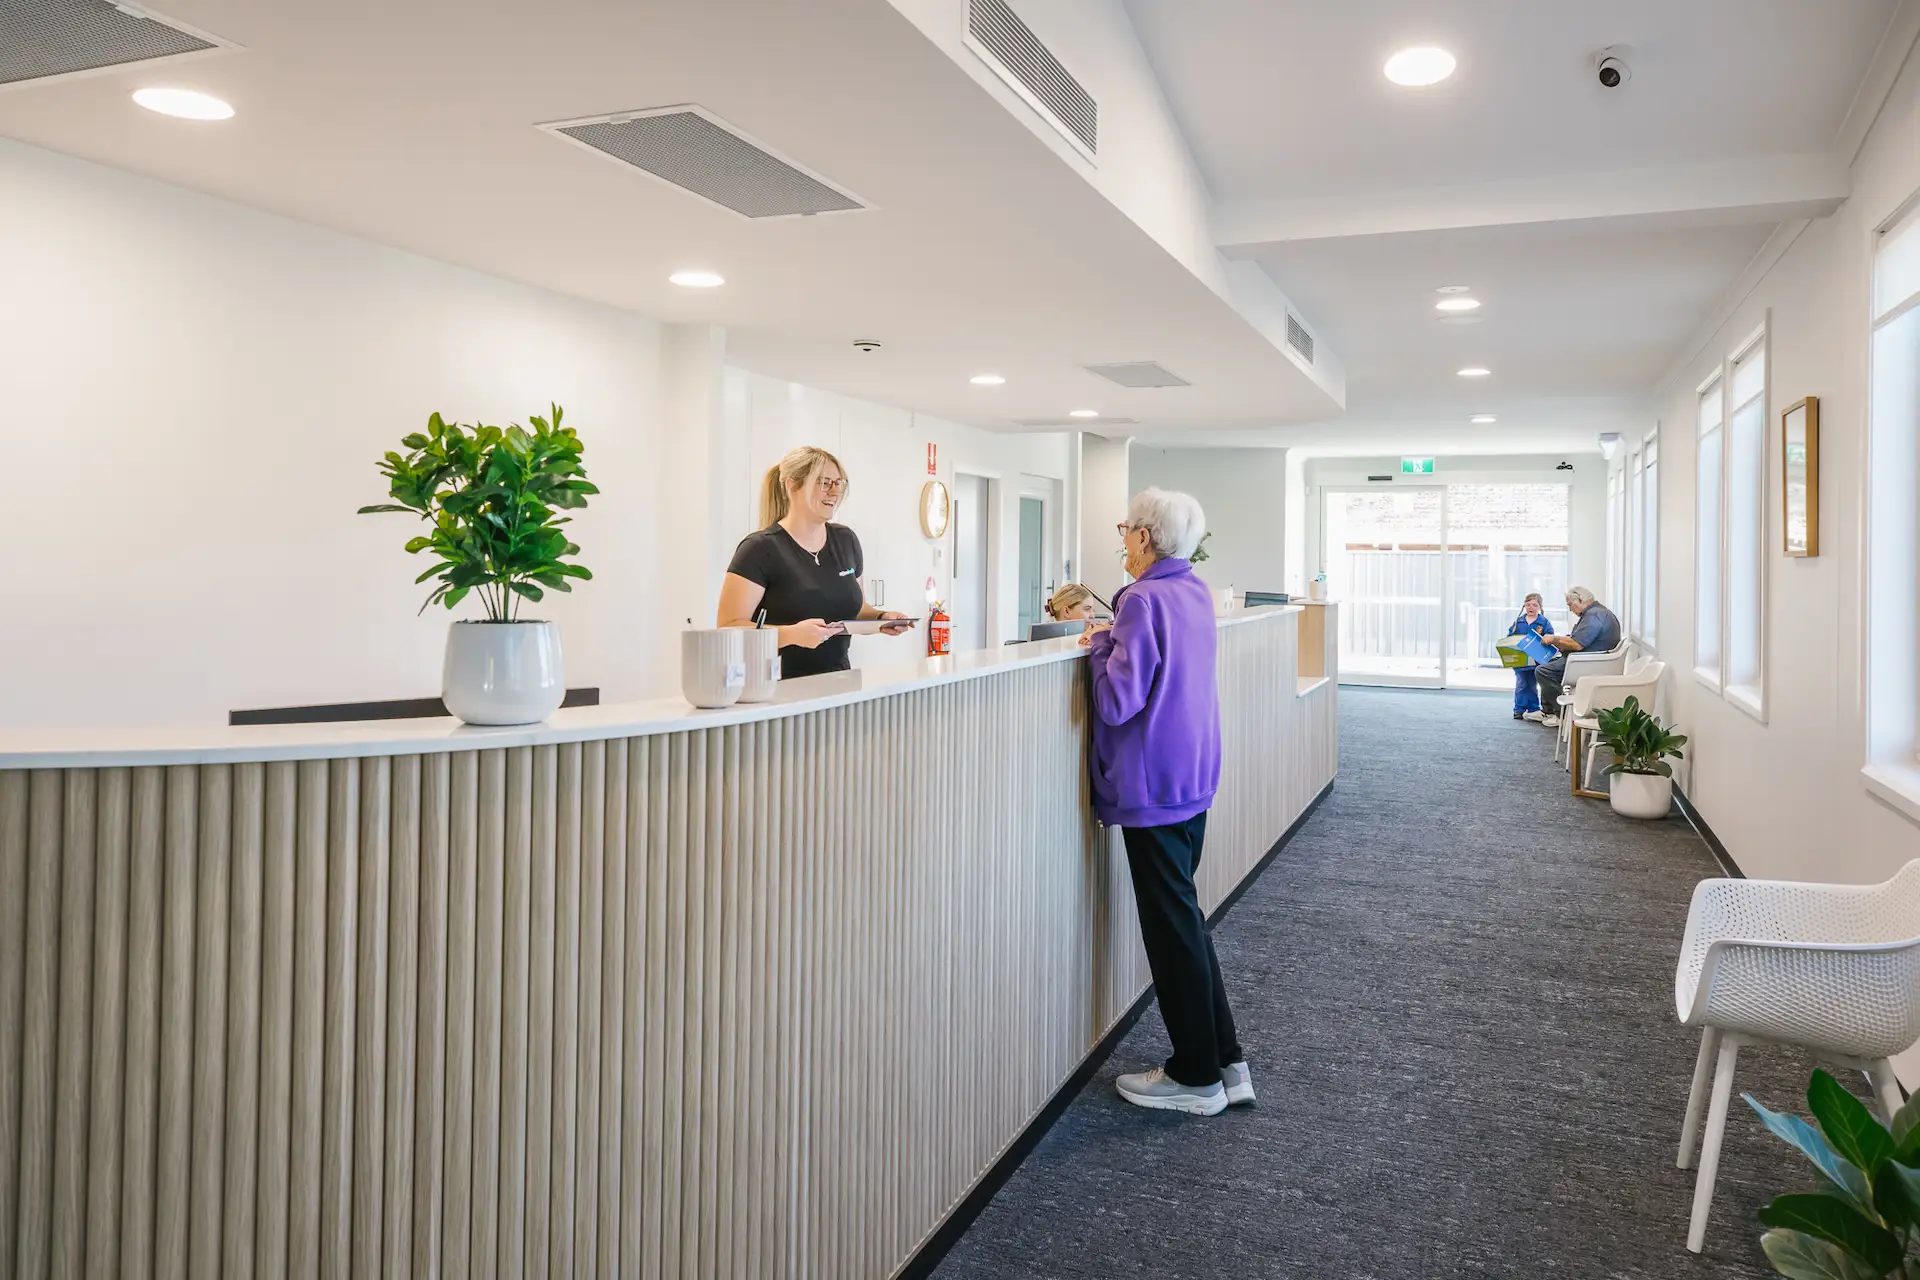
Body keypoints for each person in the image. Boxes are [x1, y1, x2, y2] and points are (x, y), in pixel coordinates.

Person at [1083, 489, 1247, 1117]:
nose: (1123, 540)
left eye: (1126, 530)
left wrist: (1099, 646)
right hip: (1192, 773)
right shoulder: (1195, 591)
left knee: (1170, 922)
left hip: (1151, 783)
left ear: (1146, 538)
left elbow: (1115, 703)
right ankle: (1226, 1060)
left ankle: (1195, 1075)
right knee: (1186, 915)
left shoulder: (1141, 597)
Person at [716, 446, 911, 678]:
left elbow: (855, 609)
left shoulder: (846, 540)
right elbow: (728, 627)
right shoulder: (760, 549)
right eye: (824, 482)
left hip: (839, 682)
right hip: (776, 688)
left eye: (839, 483)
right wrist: (789, 635)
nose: (834, 492)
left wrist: (881, 618)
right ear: (792, 485)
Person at [1535, 586, 1623, 727]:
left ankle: (1560, 714)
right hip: (1590, 659)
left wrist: (1554, 639)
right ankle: (1548, 711)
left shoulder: (1594, 615)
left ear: (1580, 600)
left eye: (1570, 605)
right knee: (1547, 664)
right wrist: (1560, 642)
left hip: (1588, 663)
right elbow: (1578, 639)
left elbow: (1577, 644)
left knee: (1543, 671)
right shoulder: (1596, 613)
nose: (1570, 609)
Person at [1507, 593, 1555, 721]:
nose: (1531, 607)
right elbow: (1509, 638)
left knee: (1532, 684)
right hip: (1520, 660)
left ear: (1540, 607)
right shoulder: (1519, 622)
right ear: (1524, 606)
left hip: (1536, 661)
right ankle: (1519, 709)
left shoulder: (1543, 622)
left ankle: (1533, 709)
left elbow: (1550, 636)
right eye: (1528, 605)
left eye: (1534, 605)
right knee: (1521, 684)